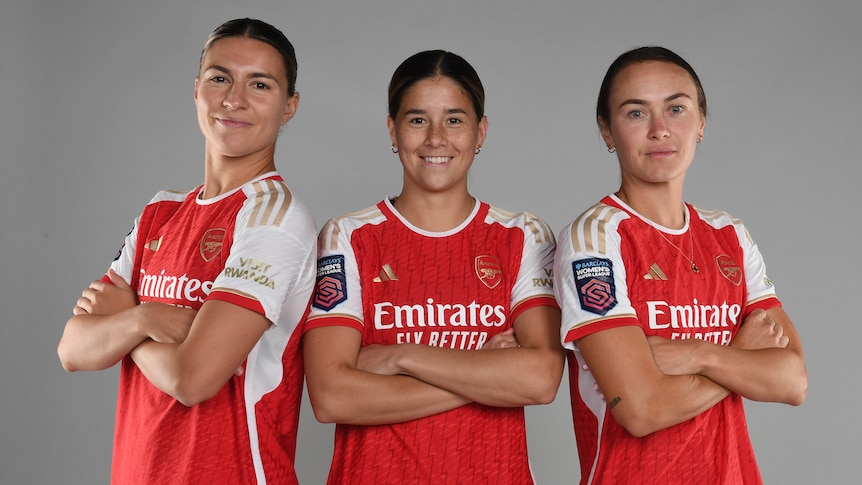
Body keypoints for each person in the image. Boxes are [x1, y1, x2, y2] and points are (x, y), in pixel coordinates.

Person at [56, 18, 316, 484]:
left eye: (260, 84)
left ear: (289, 106)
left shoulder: (275, 219)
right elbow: (73, 348)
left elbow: (192, 379)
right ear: (197, 89)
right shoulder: (161, 210)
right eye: (220, 78)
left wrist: (127, 321)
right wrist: (144, 319)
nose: (234, 99)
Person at [302, 50, 565, 485]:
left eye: (455, 120)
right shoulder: (348, 236)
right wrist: (481, 371)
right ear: (393, 129)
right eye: (418, 119)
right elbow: (331, 396)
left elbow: (540, 379)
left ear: (481, 131)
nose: (436, 139)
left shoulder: (522, 235)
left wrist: (400, 356)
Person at [553, 46, 808, 484]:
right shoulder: (593, 239)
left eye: (676, 109)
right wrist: (742, 361)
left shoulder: (729, 233)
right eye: (635, 113)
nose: (659, 130)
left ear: (702, 123)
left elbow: (792, 381)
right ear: (607, 131)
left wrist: (701, 354)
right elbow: (642, 409)